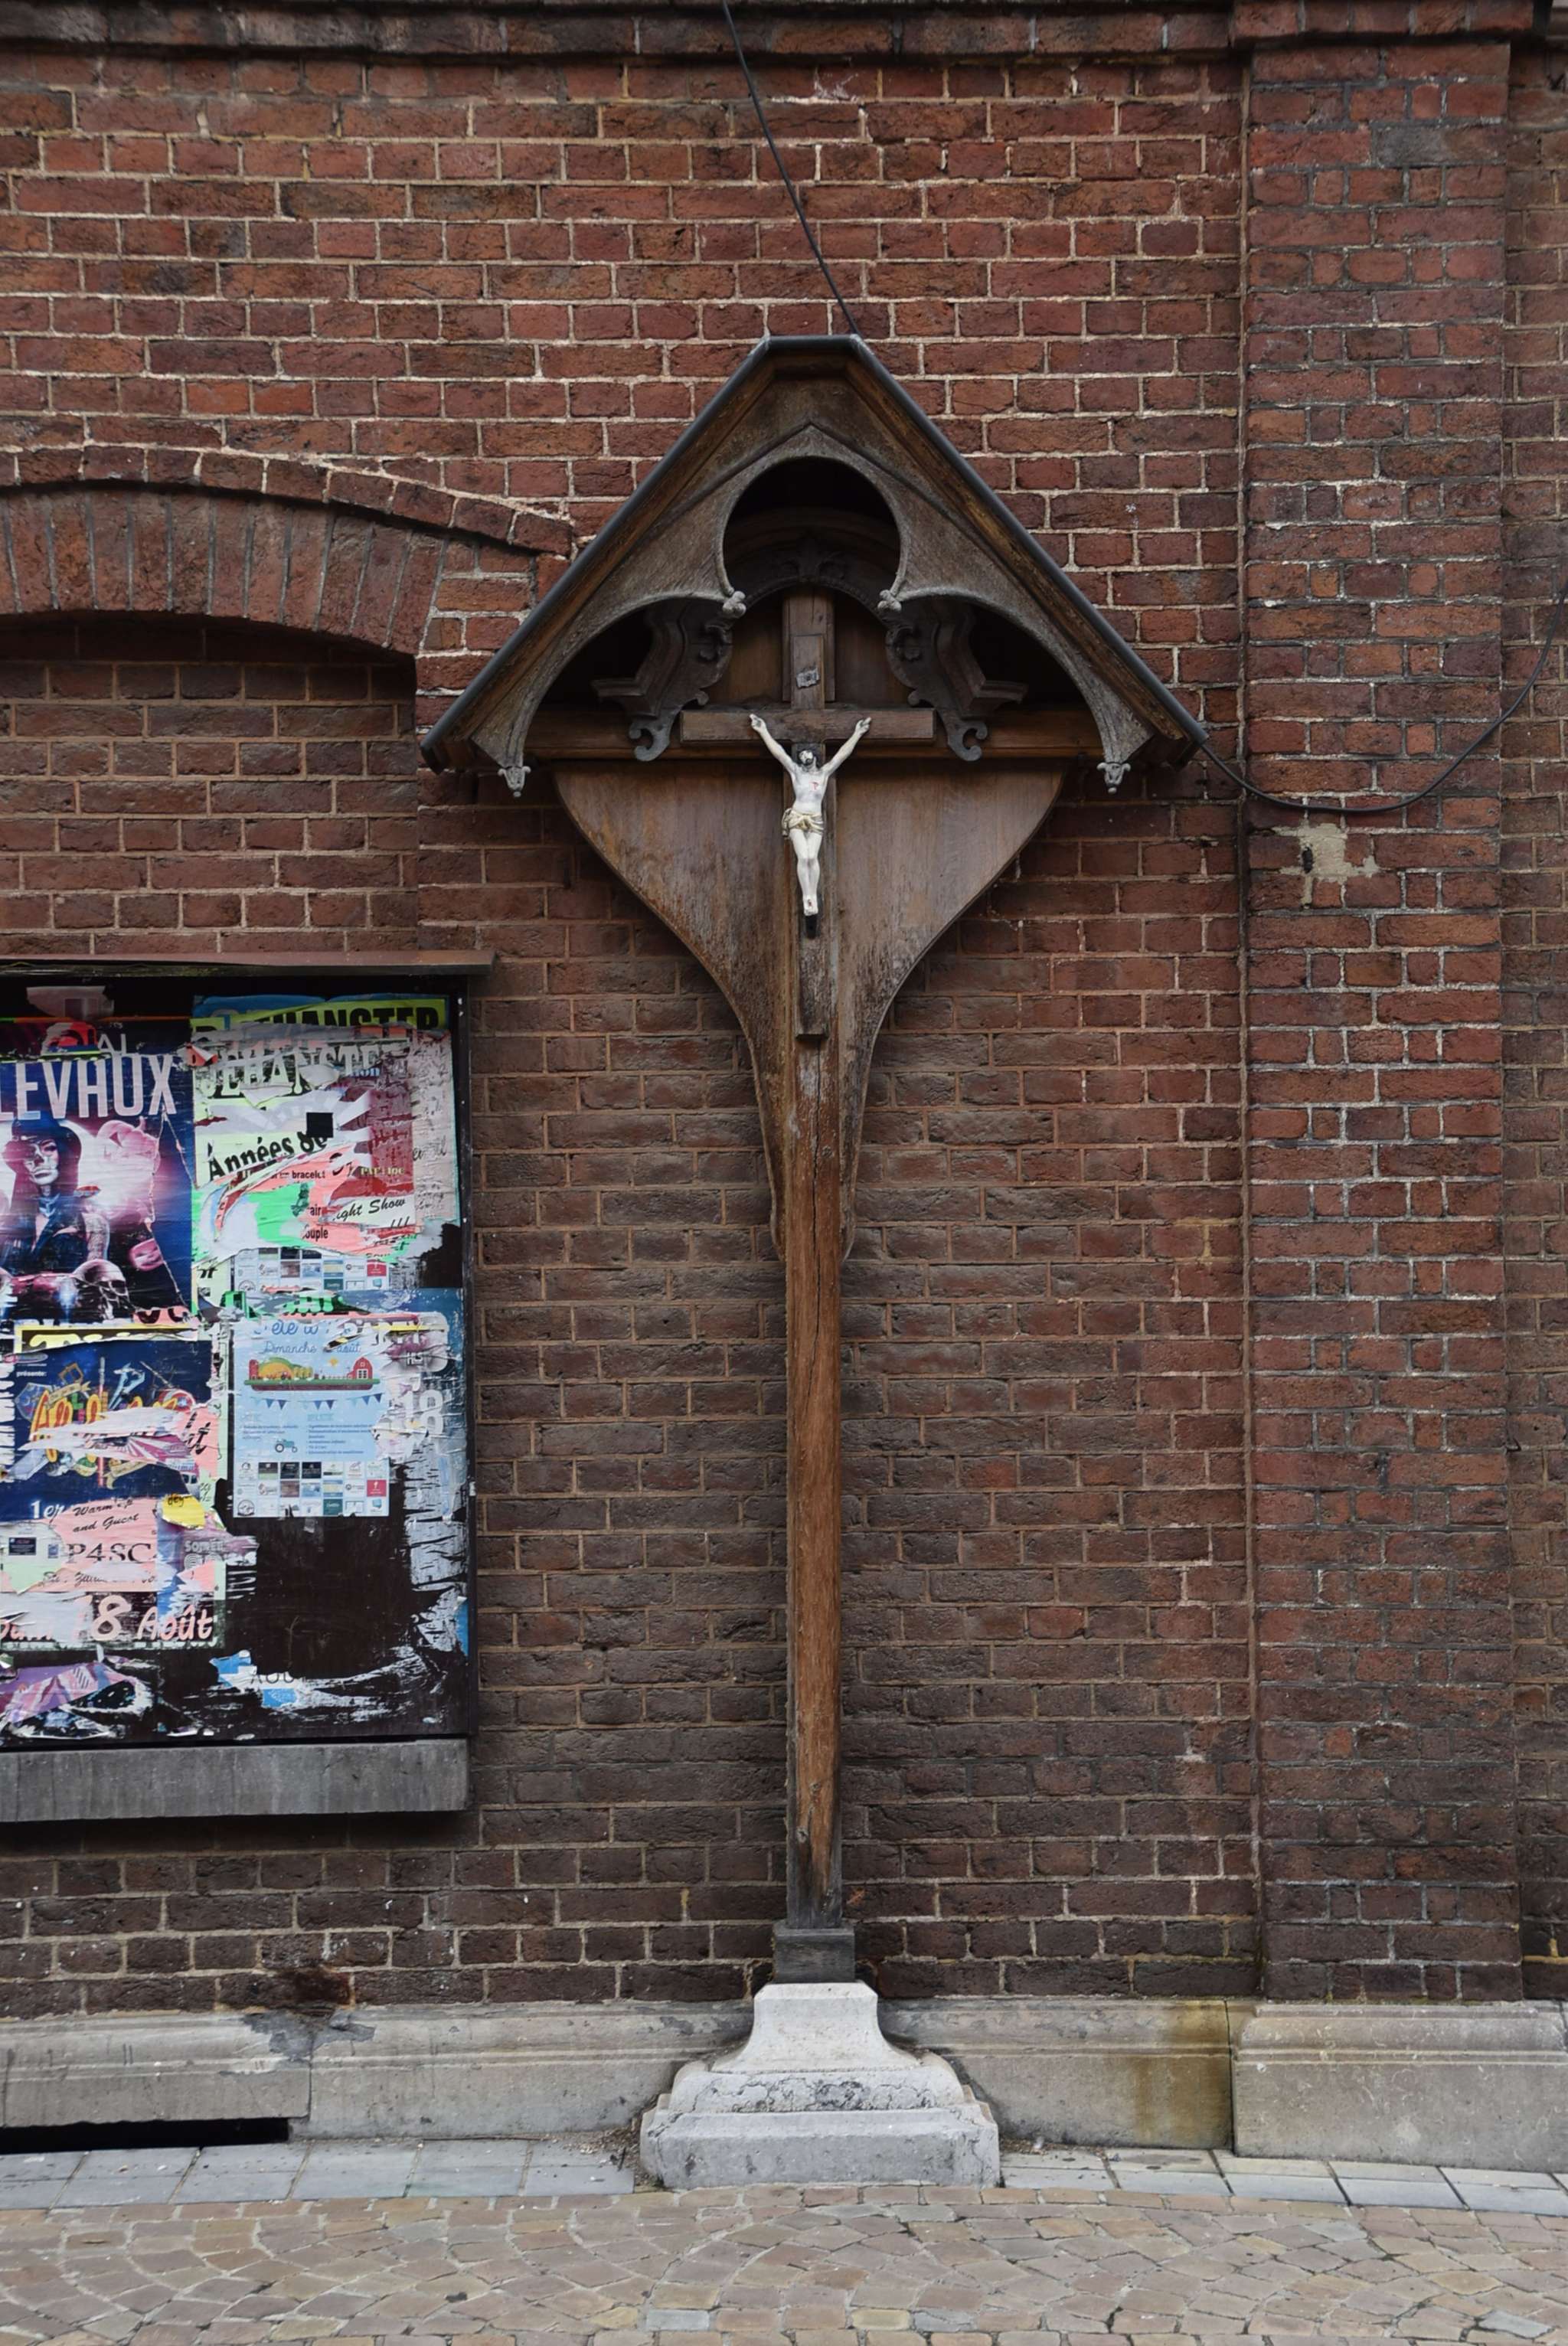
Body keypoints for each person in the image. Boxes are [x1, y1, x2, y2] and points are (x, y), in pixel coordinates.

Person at [749, 713, 871, 934]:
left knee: (812, 857)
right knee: (803, 857)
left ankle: (811, 894)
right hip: (797, 817)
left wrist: (857, 733)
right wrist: (763, 730)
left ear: (814, 756)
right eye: (801, 755)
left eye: (806, 754)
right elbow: (779, 753)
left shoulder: (823, 774)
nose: (803, 757)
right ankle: (807, 895)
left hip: (815, 820)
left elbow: (842, 755)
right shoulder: (796, 773)